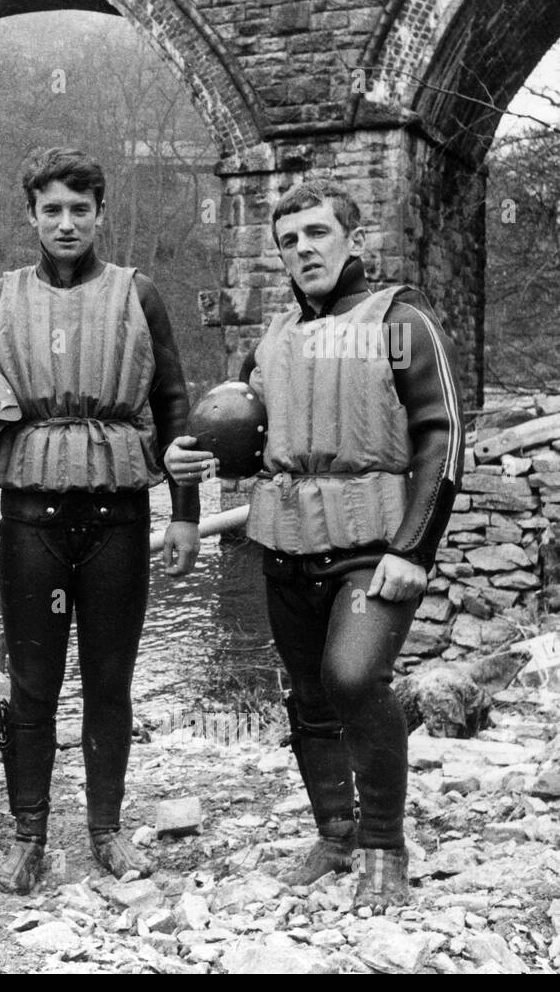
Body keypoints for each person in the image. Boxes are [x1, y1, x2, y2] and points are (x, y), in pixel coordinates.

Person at [0, 148, 200, 895]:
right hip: (29, 517)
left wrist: (187, 516)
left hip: (119, 515)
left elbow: (173, 409)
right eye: (52, 209)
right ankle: (28, 834)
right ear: (31, 214)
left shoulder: (141, 294)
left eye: (80, 209)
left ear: (99, 213)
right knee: (33, 682)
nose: (66, 223)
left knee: (109, 680)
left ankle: (105, 828)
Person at [165, 179, 463, 911]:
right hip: (285, 543)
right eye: (289, 240)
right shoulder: (271, 342)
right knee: (308, 694)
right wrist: (184, 468)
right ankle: (335, 832)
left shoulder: (402, 318)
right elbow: (238, 442)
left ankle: (385, 845)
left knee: (355, 677)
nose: (303, 248)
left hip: (374, 542)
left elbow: (443, 435)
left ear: (354, 241)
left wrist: (414, 549)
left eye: (319, 233)